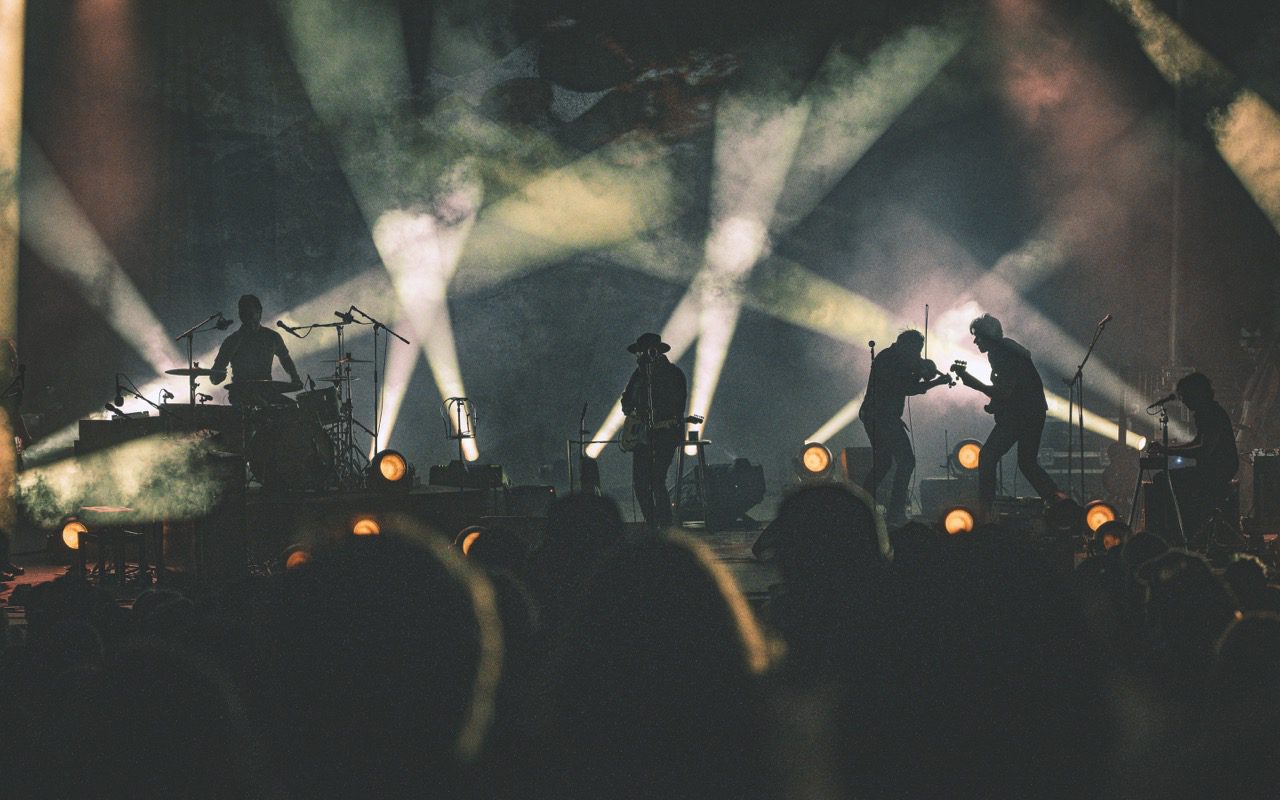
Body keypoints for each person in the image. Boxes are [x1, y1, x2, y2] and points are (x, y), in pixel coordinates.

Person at [952, 313, 1059, 520]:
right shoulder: (1008, 349)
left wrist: (972, 382)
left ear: (988, 336)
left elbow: (1005, 392)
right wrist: (995, 405)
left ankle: (986, 512)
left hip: (1021, 415)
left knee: (987, 456)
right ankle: (1058, 502)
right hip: (1033, 411)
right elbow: (1012, 388)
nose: (975, 341)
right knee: (1027, 463)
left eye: (978, 337)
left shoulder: (1000, 353)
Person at [859, 330, 951, 526]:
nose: (917, 356)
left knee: (883, 463)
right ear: (904, 346)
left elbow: (910, 381)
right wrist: (936, 381)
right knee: (906, 461)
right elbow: (906, 388)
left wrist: (921, 372)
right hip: (880, 417)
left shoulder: (898, 359)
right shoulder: (887, 360)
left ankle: (862, 505)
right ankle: (894, 511)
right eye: (916, 351)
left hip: (883, 417)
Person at [1149, 372, 1239, 543]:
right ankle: (1180, 530)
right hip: (1212, 468)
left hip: (1219, 470)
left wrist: (1168, 451)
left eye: (1183, 395)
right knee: (1165, 479)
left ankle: (1172, 533)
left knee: (1162, 480)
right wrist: (1167, 449)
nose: (1182, 400)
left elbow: (1204, 450)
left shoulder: (1211, 413)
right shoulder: (1206, 411)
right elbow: (1197, 443)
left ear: (1195, 393)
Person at [620, 332, 687, 530]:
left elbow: (677, 404)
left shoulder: (673, 374)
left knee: (657, 479)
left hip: (665, 433)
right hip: (642, 436)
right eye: (639, 353)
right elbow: (626, 399)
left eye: (644, 352)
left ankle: (665, 525)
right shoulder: (638, 375)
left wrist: (655, 411)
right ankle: (652, 524)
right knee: (640, 483)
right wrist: (633, 410)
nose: (641, 356)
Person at [210, 294, 302, 407]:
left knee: (292, 408)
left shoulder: (272, 337)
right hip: (241, 394)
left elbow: (285, 358)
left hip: (267, 391)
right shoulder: (232, 341)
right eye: (242, 311)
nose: (245, 315)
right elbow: (214, 378)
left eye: (249, 311)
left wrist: (295, 377)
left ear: (259, 312)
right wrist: (219, 373)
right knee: (266, 407)